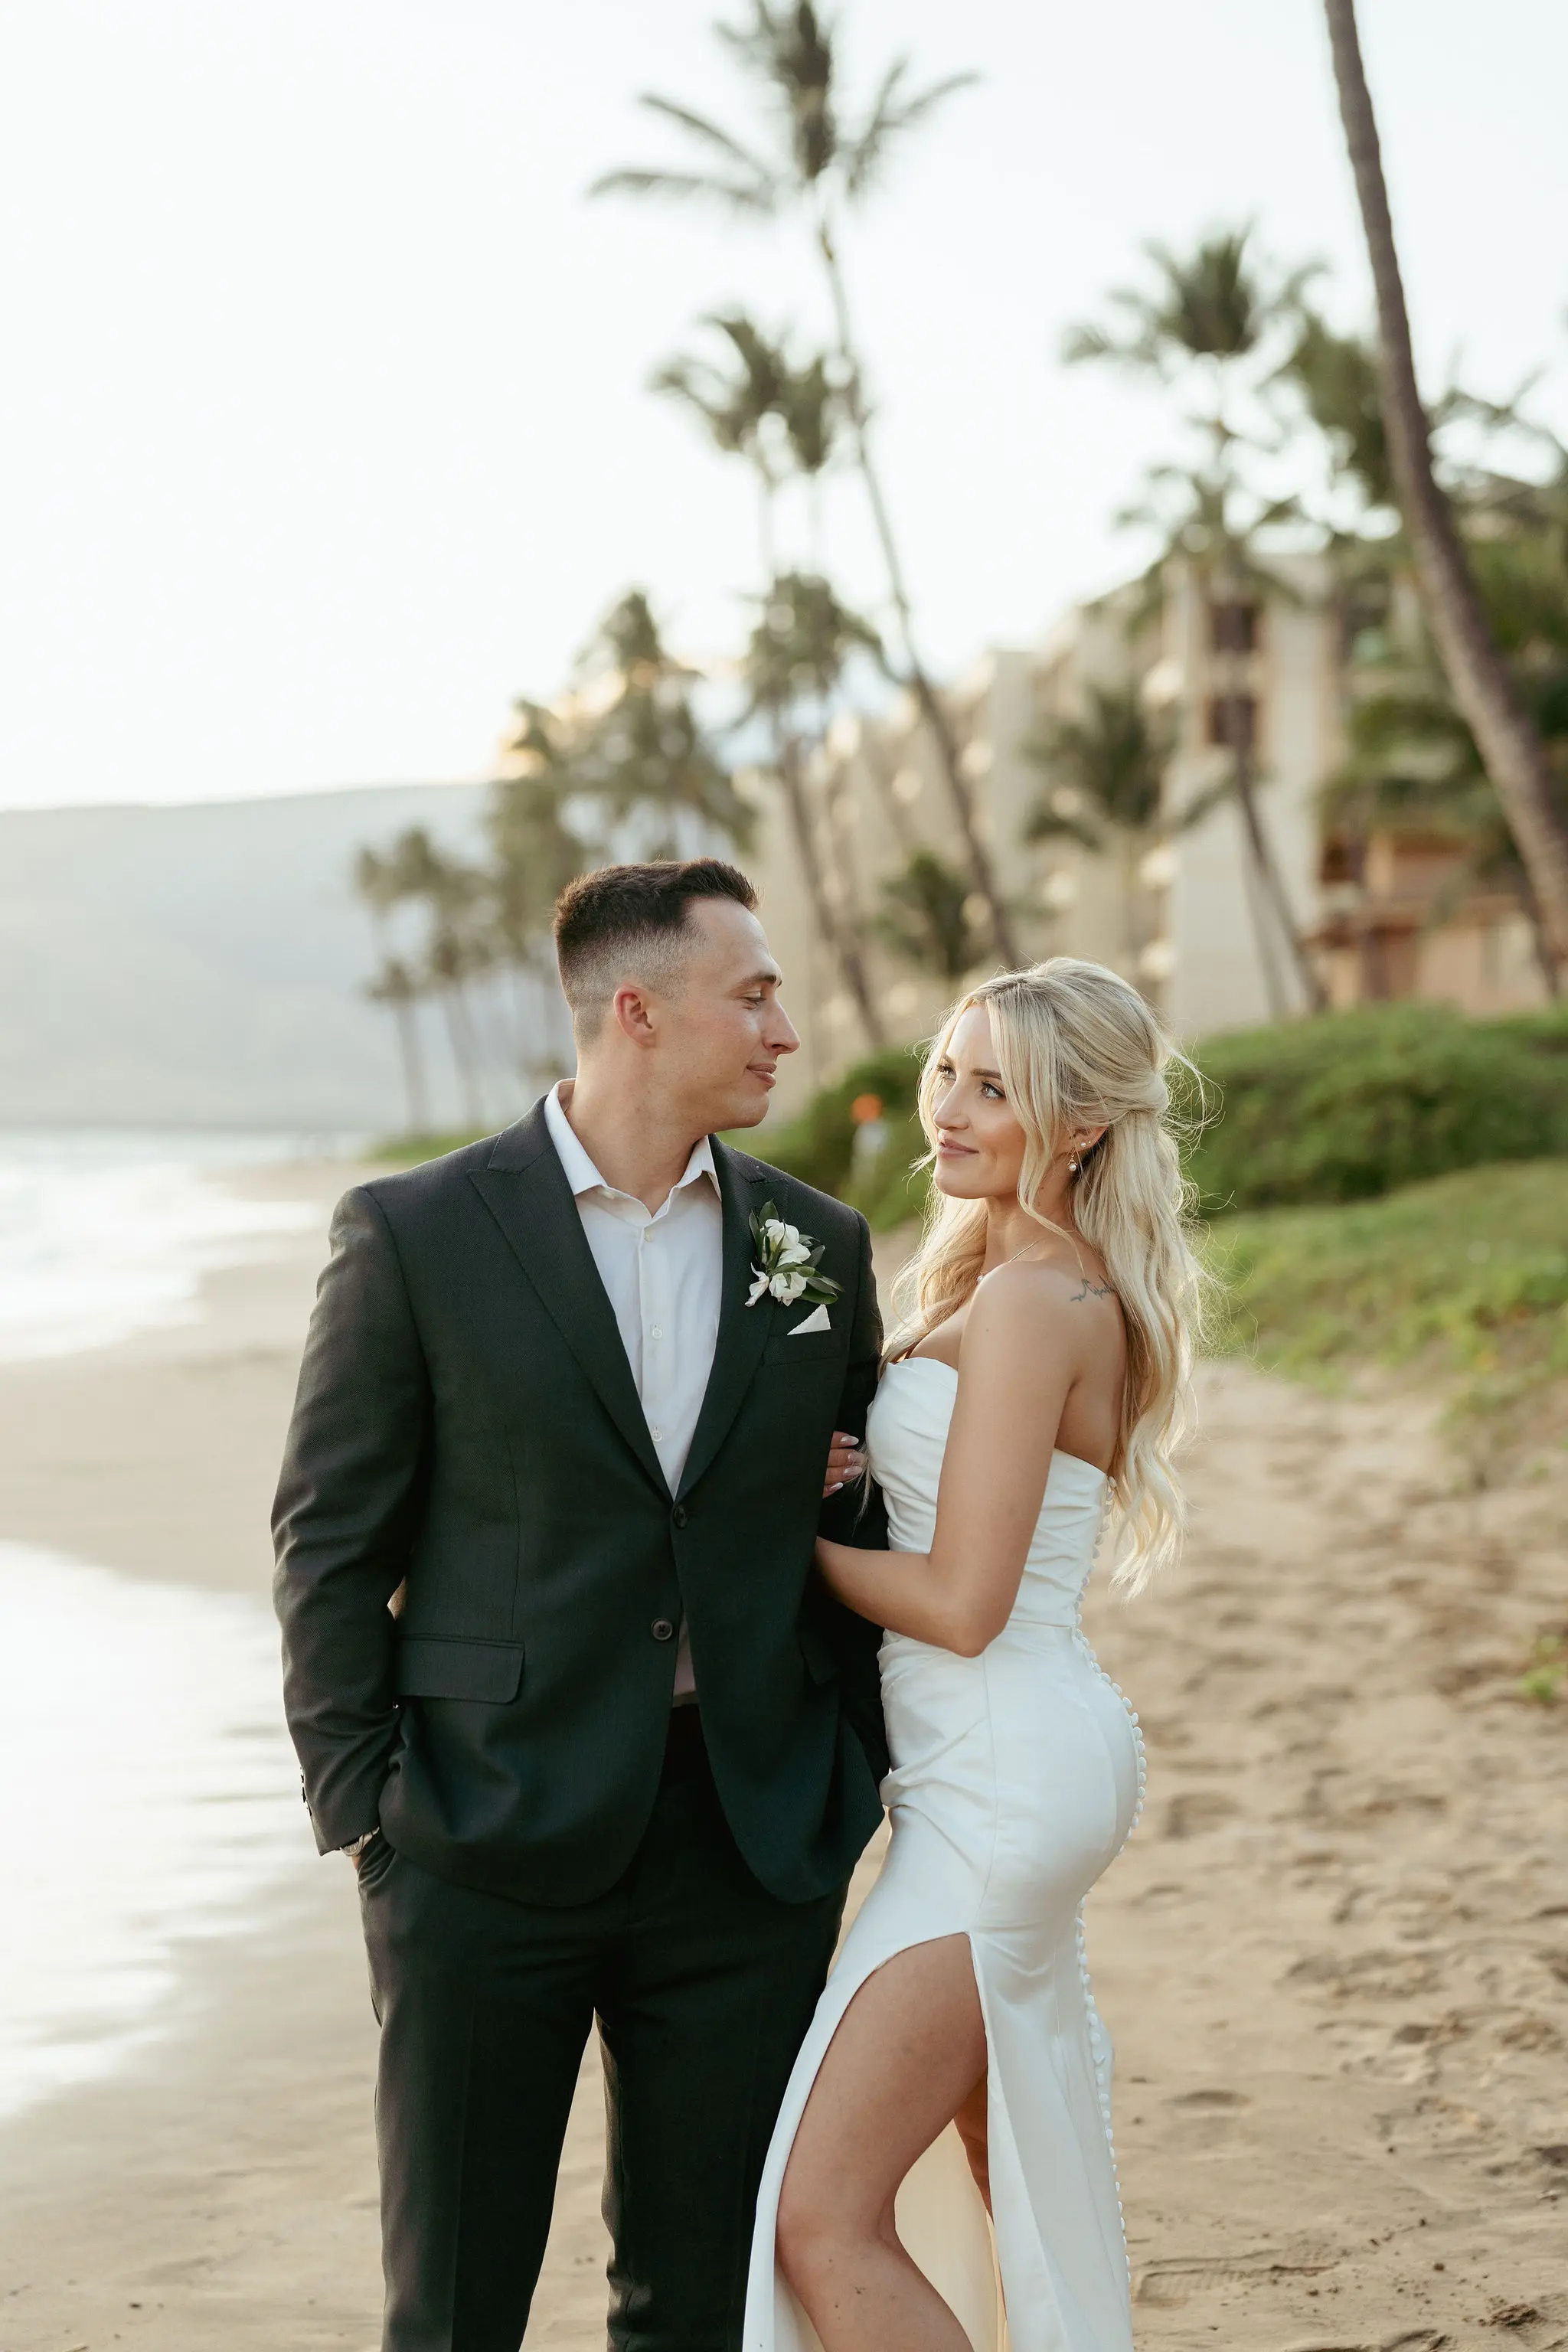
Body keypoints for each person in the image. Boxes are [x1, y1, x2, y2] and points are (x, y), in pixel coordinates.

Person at [273, 858, 889, 2352]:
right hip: (478, 1842)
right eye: (752, 997)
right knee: (458, 2301)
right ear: (637, 1009)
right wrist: (369, 1819)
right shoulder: (418, 1233)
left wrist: (840, 1779)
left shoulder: (815, 1246)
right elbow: (328, 1537)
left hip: (742, 1855)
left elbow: (860, 1520)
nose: (782, 1032)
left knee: (696, 2307)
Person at [743, 959, 1205, 2352]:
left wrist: (766, 1543)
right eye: (948, 1068)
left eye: (995, 1087)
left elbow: (959, 1603)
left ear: (1080, 1125)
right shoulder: (1015, 1277)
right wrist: (845, 1478)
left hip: (999, 1775)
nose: (948, 1107)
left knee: (820, 2217)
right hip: (1005, 1760)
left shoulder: (1032, 1300)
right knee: (1008, 2170)